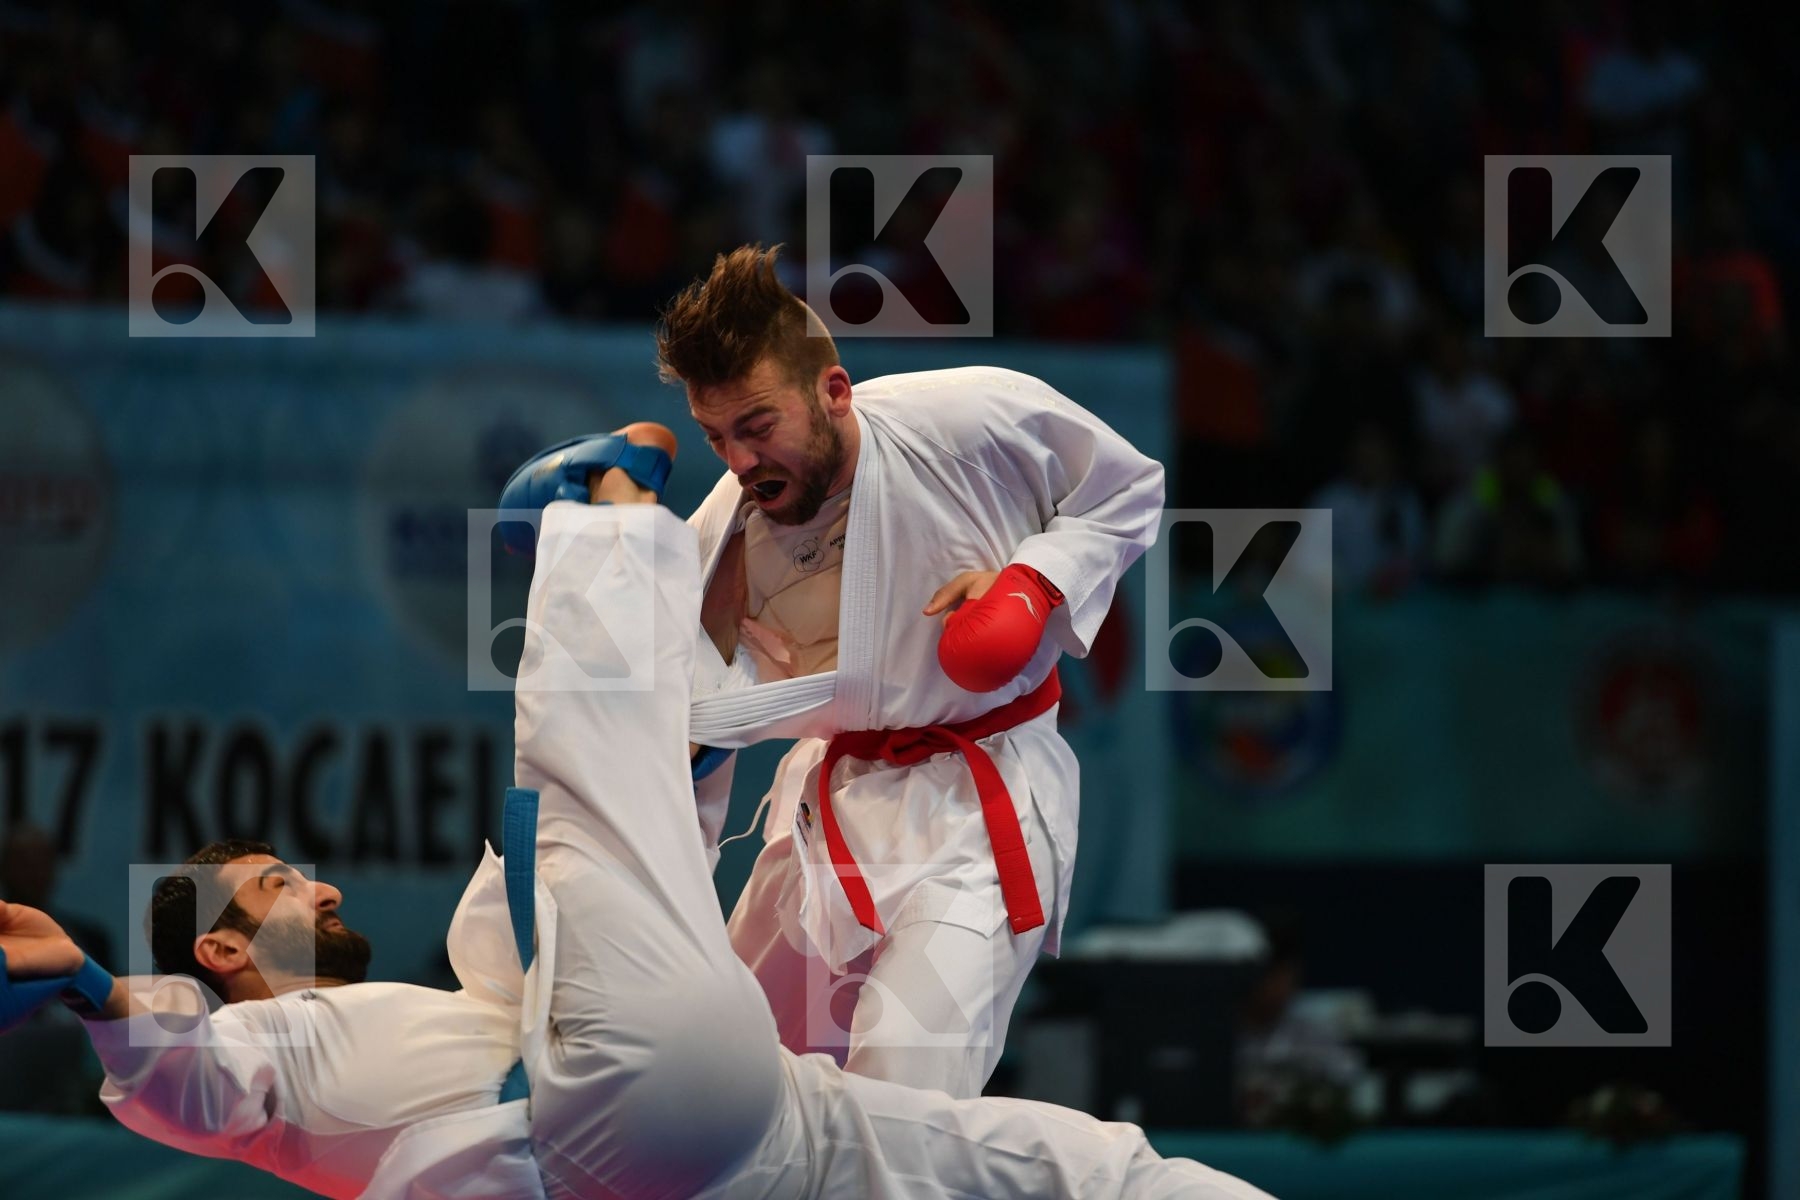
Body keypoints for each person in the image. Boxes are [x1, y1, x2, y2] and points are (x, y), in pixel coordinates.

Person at [0, 428, 1271, 1200]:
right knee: (580, 804)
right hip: (597, 1127)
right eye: (279, 886)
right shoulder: (270, 1055)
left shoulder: (432, 1012)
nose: (320, 885)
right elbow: (183, 1077)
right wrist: (93, 989)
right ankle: (606, 517)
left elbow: (607, 918)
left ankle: (671, 644)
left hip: (736, 1128)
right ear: (219, 949)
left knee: (1055, 1168)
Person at [655, 244, 1165, 1098]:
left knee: (902, 1096)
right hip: (831, 810)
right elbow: (695, 726)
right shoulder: (721, 537)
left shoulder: (969, 420)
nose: (739, 461)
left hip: (978, 808)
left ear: (834, 391)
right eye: (717, 437)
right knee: (720, 1088)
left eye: (758, 426)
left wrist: (1034, 582)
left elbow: (1127, 489)